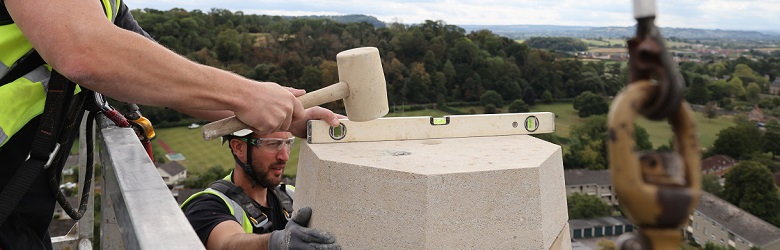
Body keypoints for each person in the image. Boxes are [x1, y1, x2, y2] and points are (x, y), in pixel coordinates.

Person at [0, 0, 341, 249]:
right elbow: (84, 49)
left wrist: (288, 115)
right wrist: (246, 95)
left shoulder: (106, 5)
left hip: (19, 220)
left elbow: (169, 81)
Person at [182, 129, 338, 249]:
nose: (284, 156)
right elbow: (226, 243)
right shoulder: (206, 206)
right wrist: (277, 243)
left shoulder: (291, 195)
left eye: (288, 143)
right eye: (273, 144)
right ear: (239, 148)